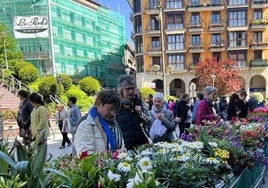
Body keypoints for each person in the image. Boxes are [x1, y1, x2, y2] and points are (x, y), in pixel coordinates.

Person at [74, 90, 125, 158]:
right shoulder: (86, 126)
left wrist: (121, 152)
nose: (113, 113)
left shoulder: (115, 125)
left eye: (115, 110)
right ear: (99, 104)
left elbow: (123, 148)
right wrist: (110, 157)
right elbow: (85, 157)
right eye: (110, 109)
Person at [116, 75, 150, 151]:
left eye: (132, 88)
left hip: (142, 144)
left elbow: (149, 121)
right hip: (126, 146)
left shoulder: (139, 102)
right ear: (121, 90)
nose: (131, 91)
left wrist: (141, 114)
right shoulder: (116, 105)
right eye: (128, 89)